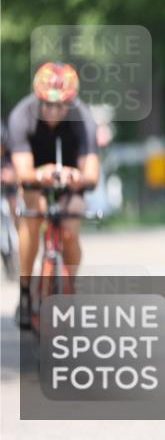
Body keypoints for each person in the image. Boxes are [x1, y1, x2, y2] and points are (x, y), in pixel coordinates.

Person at [7, 62, 100, 328]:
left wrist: (75, 177)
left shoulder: (83, 118)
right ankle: (25, 290)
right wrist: (41, 174)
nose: (53, 111)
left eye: (61, 106)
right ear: (38, 98)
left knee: (70, 229)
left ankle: (68, 284)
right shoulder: (21, 116)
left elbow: (92, 175)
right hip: (35, 177)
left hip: (71, 181)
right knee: (31, 216)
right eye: (47, 104)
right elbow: (23, 172)